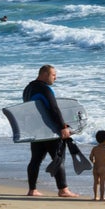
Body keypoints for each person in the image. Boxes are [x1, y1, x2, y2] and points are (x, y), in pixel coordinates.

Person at [22, 64, 79, 199]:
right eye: (53, 75)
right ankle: (63, 189)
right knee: (58, 158)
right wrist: (62, 127)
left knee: (35, 159)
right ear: (45, 74)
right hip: (49, 130)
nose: (56, 78)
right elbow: (53, 108)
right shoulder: (45, 89)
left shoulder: (28, 89)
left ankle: (32, 189)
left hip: (36, 131)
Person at [89, 130, 105, 201]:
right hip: (103, 169)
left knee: (95, 182)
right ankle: (102, 197)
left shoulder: (94, 148)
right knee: (102, 183)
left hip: (95, 168)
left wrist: (93, 161)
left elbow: (91, 157)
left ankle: (95, 197)